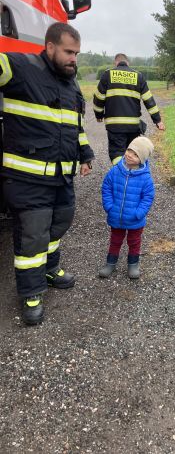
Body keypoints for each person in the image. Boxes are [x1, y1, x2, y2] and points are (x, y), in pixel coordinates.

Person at [0, 22, 94, 325]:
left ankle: (50, 269)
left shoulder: (72, 84)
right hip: (27, 179)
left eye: (77, 54)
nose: (73, 59)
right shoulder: (21, 67)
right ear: (50, 46)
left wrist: (86, 154)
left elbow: (75, 127)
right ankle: (31, 292)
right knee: (33, 238)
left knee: (60, 224)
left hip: (61, 179)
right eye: (68, 52)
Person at [99, 136, 155, 280]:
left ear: (142, 159)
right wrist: (109, 206)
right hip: (116, 215)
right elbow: (106, 187)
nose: (130, 155)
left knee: (134, 242)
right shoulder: (115, 171)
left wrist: (139, 213)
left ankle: (133, 264)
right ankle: (110, 263)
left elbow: (148, 197)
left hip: (135, 219)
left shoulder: (146, 178)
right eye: (129, 150)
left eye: (136, 154)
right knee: (115, 240)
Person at [93, 53, 165, 164]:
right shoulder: (138, 76)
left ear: (116, 63)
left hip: (115, 126)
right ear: (128, 63)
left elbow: (98, 98)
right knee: (133, 153)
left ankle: (121, 176)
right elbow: (148, 100)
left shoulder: (108, 74)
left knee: (117, 153)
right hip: (133, 126)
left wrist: (99, 115)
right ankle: (132, 177)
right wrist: (158, 120)